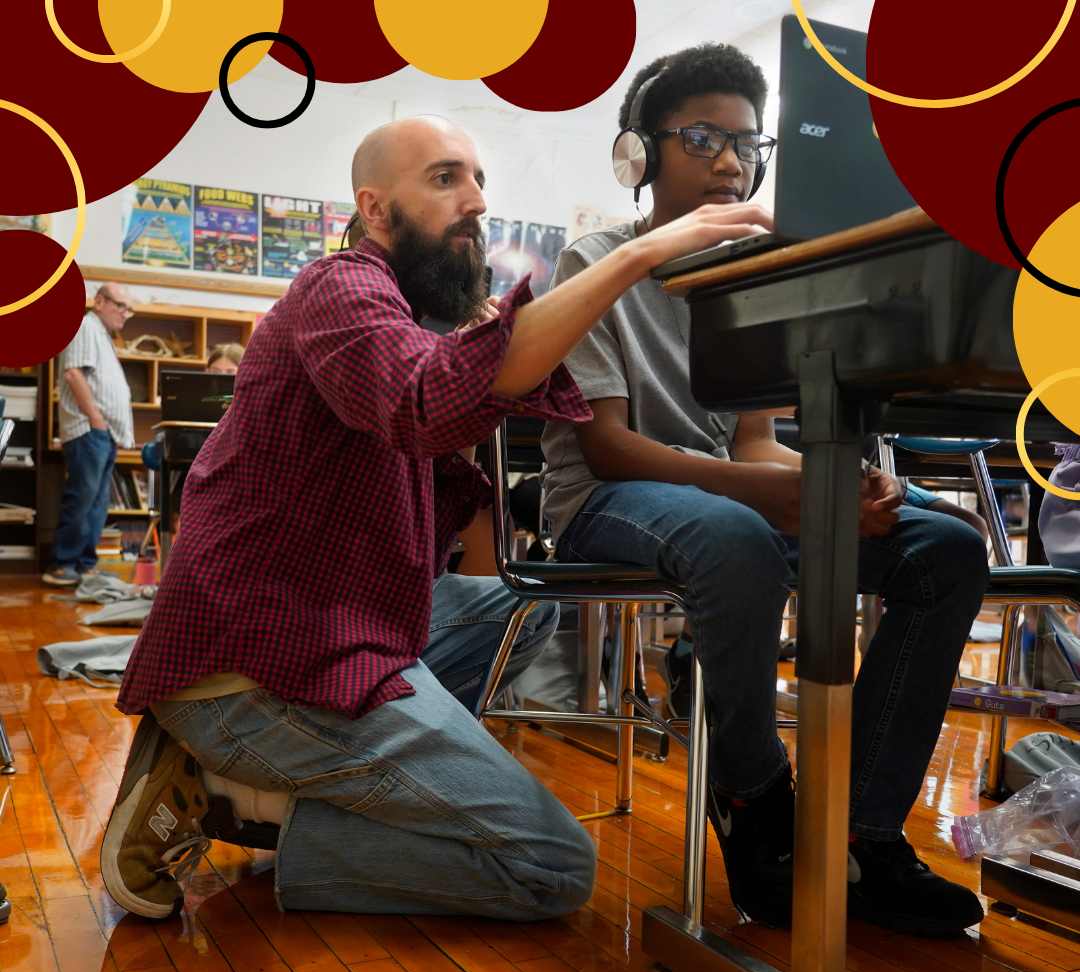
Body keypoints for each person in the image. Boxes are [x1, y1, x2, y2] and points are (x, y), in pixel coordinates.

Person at [101, 114, 772, 922]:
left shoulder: (411, 320)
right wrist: (635, 255)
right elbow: (424, 403)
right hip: (257, 660)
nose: (477, 201)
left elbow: (465, 500)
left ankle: (323, 773)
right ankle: (231, 795)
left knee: (525, 608)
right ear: (375, 209)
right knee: (550, 866)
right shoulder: (340, 285)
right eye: (446, 178)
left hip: (332, 625)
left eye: (480, 181)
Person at [541, 45, 989, 936]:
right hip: (605, 502)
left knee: (945, 547)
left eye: (748, 143)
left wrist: (838, 479)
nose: (730, 161)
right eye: (702, 138)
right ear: (640, 154)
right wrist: (765, 494)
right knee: (734, 537)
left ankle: (858, 830)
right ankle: (754, 798)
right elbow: (609, 450)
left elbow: (752, 441)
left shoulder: (753, 274)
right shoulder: (594, 261)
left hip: (716, 503)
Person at [43, 283, 136, 587]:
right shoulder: (84, 326)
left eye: (129, 309)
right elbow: (73, 373)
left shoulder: (103, 336)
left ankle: (84, 565)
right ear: (99, 301)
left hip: (102, 433)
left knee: (96, 503)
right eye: (120, 306)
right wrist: (96, 419)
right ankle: (61, 565)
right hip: (88, 430)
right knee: (83, 499)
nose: (125, 313)